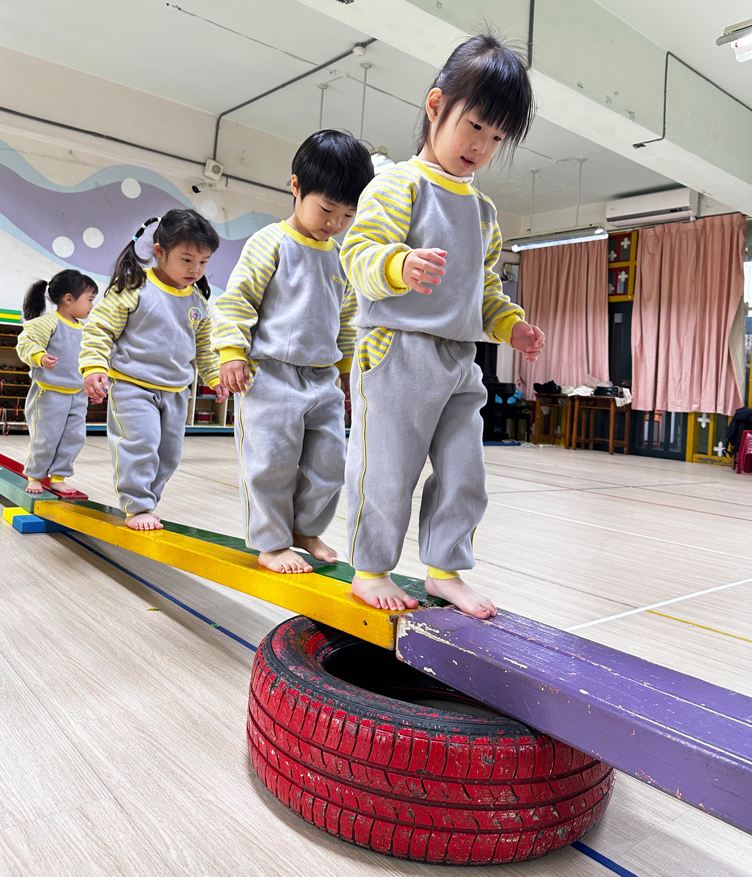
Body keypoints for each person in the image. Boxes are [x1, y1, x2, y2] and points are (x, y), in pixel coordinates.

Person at [340, 34, 545, 618]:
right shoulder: (398, 185)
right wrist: (397, 265)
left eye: (497, 137)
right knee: (387, 469)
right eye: (475, 126)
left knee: (464, 471)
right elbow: (357, 254)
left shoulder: (483, 213)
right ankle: (370, 569)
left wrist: (510, 326)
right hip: (396, 351)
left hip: (459, 358)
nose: (482, 146)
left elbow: (486, 291)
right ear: (436, 106)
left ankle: (444, 570)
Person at [212, 130, 374, 574]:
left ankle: (305, 529)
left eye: (348, 214)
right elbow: (237, 300)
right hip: (270, 376)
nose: (335, 223)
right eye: (327, 209)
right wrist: (231, 352)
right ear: (297, 187)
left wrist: (346, 370)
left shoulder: (340, 257)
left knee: (330, 463)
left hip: (322, 379)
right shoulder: (270, 242)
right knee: (271, 464)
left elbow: (346, 318)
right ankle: (271, 542)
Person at [80, 209, 228, 531]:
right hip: (132, 385)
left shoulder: (198, 301)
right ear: (159, 251)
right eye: (187, 260)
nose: (196, 269)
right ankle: (137, 505)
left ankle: (148, 503)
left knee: (169, 455)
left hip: (176, 391)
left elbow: (204, 347)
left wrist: (214, 376)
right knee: (141, 442)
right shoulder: (134, 287)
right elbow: (99, 330)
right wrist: (93, 367)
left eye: (203, 262)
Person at [16, 269, 98, 496]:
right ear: (68, 299)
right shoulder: (49, 323)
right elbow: (26, 342)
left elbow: (92, 359)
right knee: (46, 437)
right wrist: (39, 356)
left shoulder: (85, 330)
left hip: (77, 395)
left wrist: (95, 385)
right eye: (90, 299)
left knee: (74, 438)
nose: (92, 306)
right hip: (49, 394)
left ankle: (59, 477)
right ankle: (35, 475)